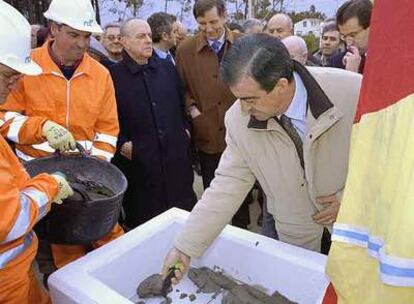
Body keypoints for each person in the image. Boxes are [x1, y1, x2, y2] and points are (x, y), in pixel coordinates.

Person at [161, 34, 362, 279]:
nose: (244, 109)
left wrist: (350, 200)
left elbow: (394, 159)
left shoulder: (355, 91)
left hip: (357, 221)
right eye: (238, 98)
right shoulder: (238, 120)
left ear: (280, 86)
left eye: (249, 99)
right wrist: (185, 247)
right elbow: (228, 184)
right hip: (294, 229)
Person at [1, 0, 123, 278]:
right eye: (74, 34)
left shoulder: (100, 74)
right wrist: (41, 127)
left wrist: (94, 169)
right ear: (54, 29)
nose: (82, 44)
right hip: (37, 179)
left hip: (88, 181)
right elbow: (3, 118)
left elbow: (107, 130)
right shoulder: (24, 66)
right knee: (63, 251)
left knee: (108, 241)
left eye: (87, 36)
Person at [0, 2, 73, 303]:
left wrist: (41, 127)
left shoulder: (98, 73)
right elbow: (10, 219)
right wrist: (50, 184)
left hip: (17, 270)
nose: (14, 85)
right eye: (7, 76)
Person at [109, 19, 195, 229]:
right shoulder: (111, 77)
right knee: (148, 226)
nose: (148, 40)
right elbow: (106, 118)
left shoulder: (167, 68)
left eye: (148, 35)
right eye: (141, 36)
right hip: (140, 167)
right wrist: (122, 144)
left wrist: (185, 131)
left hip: (176, 163)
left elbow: (180, 103)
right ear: (124, 41)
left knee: (184, 221)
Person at [175, 0, 251, 229]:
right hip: (206, 132)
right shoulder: (185, 49)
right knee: (213, 189)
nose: (208, 29)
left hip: (241, 132)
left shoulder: (244, 43)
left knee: (241, 190)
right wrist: (193, 111)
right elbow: (181, 88)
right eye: (202, 24)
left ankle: (242, 231)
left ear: (225, 16)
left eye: (213, 22)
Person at [328, 0, 372, 73]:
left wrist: (352, 75)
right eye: (344, 36)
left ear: (370, 27)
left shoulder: (389, 60)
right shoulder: (335, 63)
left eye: (353, 35)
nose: (349, 43)